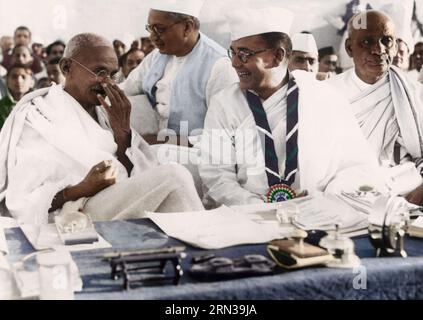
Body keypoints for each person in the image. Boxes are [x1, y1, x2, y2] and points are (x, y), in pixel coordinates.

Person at [0, 33, 203, 225]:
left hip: (111, 200)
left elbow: (134, 174)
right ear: (66, 67)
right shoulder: (38, 115)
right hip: (71, 212)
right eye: (99, 72)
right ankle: (207, 244)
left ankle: (192, 252)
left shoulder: (106, 112)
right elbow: (24, 202)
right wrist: (82, 188)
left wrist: (123, 132)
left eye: (113, 75)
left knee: (173, 184)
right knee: (174, 176)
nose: (106, 82)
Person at [198, 7, 380, 207]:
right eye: (232, 52)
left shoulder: (325, 98)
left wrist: (322, 199)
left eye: (244, 54)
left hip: (318, 211)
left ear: (277, 56)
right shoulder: (224, 103)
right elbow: (217, 176)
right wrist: (261, 207)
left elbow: (357, 166)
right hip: (247, 215)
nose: (233, 63)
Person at [328, 10, 423, 205]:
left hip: (404, 193)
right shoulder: (328, 93)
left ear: (395, 46)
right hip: (343, 193)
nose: (378, 50)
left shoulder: (415, 93)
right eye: (367, 42)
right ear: (349, 47)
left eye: (386, 40)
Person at [121, 0, 237, 145]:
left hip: (195, 155)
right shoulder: (157, 56)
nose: (152, 37)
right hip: (155, 143)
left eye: (160, 29)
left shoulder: (220, 66)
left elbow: (226, 135)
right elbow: (127, 89)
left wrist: (165, 142)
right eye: (150, 29)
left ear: (187, 27)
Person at [0, 64, 34, 129]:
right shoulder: (1, 107)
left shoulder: (40, 106)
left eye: (23, 77)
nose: (18, 80)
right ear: (7, 81)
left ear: (32, 82)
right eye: (14, 77)